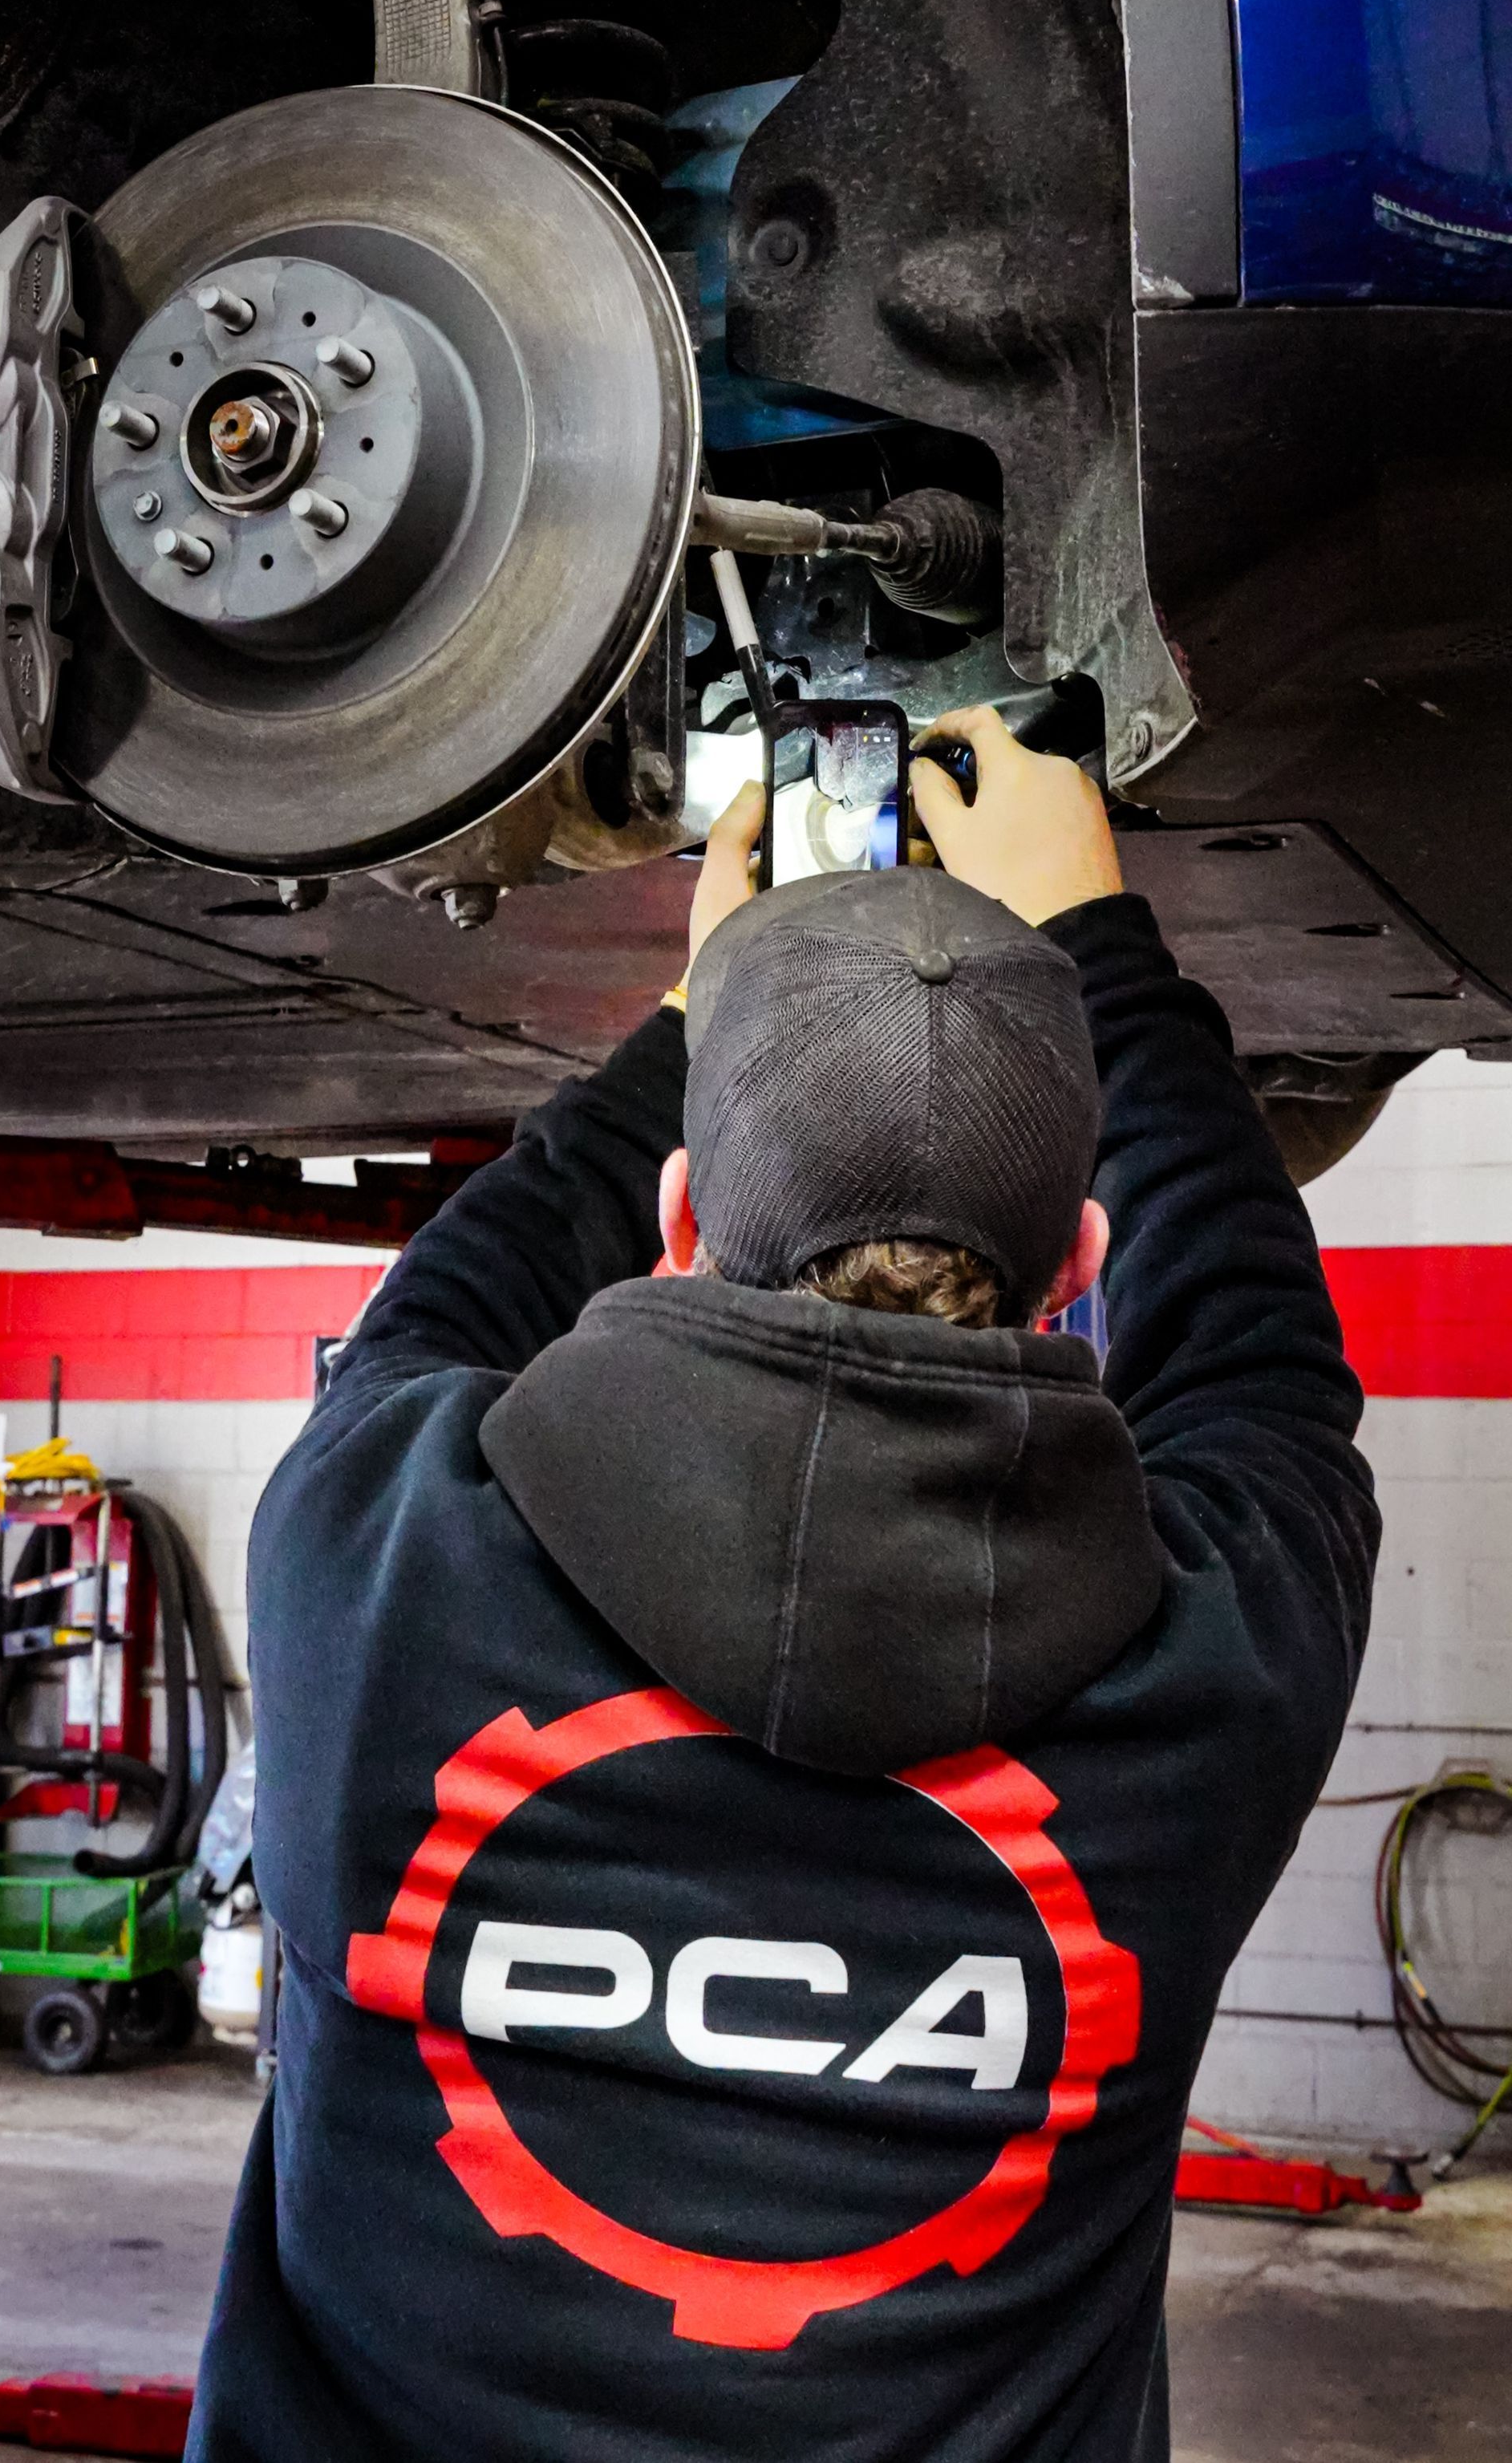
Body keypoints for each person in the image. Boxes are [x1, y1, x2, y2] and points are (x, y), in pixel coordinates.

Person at [188, 708, 1378, 2463]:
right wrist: (1100, 960)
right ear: (1077, 1267)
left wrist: (716, 1010)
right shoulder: (1197, 1670)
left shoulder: (378, 1555)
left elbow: (443, 1305)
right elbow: (1262, 1368)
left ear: (680, 1220)